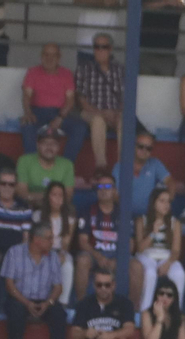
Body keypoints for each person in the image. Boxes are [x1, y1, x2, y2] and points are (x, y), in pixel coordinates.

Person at [75, 178, 143, 300]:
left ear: (115, 190)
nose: (103, 190)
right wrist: (99, 257)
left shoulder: (124, 213)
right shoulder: (88, 211)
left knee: (137, 266)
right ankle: (81, 305)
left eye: (107, 187)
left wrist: (118, 260)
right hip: (94, 254)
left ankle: (133, 309)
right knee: (82, 260)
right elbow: (83, 242)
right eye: (100, 187)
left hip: (117, 255)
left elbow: (130, 244)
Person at [0, 226, 67, 339]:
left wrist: (48, 303)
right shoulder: (14, 252)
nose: (52, 242)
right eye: (49, 238)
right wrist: (26, 303)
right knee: (16, 311)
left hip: (45, 301)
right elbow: (9, 285)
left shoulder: (53, 257)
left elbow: (58, 287)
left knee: (59, 314)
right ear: (37, 239)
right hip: (19, 299)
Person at [22, 43, 87, 160]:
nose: (49, 58)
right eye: (46, 54)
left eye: (53, 55)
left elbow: (70, 100)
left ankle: (66, 164)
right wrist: (28, 112)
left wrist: (60, 117)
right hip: (37, 112)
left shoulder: (66, 74)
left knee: (80, 128)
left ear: (59, 57)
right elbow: (26, 95)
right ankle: (33, 165)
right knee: (27, 126)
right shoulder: (32, 72)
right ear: (41, 56)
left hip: (60, 112)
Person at [78, 33, 126, 175]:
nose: (99, 50)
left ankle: (122, 167)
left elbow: (127, 98)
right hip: (91, 111)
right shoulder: (84, 69)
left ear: (110, 49)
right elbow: (81, 100)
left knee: (125, 121)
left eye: (103, 47)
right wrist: (102, 113)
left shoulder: (121, 69)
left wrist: (117, 113)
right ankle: (101, 166)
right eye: (96, 47)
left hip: (115, 112)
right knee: (98, 121)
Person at [135, 187, 185, 312]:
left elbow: (176, 250)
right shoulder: (142, 220)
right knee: (150, 273)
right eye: (162, 201)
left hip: (166, 257)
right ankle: (145, 311)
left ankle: (176, 312)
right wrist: (153, 232)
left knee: (179, 273)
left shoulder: (175, 223)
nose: (166, 205)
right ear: (153, 203)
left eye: (168, 201)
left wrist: (168, 264)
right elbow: (140, 248)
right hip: (146, 256)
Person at [69, 266, 139, 339]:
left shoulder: (125, 303)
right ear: (94, 285)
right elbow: (73, 334)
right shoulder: (84, 304)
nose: (103, 288)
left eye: (107, 285)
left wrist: (112, 335)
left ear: (113, 285)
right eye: (99, 285)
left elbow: (129, 329)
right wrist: (85, 333)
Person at [16, 130, 75, 208]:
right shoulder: (24, 161)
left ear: (58, 147)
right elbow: (22, 194)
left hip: (57, 209)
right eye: (45, 143)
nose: (49, 147)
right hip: (29, 207)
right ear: (38, 145)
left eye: (53, 143)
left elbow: (67, 196)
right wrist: (52, 197)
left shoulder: (67, 164)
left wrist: (35, 196)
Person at [126, 135, 177, 221]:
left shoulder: (155, 163)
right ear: (134, 146)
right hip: (124, 216)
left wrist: (167, 201)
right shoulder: (121, 165)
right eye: (141, 146)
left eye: (148, 148)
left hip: (149, 217)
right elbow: (114, 192)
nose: (144, 150)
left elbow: (170, 182)